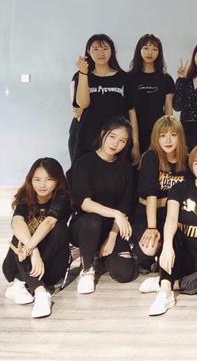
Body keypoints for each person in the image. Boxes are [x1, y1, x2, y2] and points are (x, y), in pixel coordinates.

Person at [138, 143, 197, 316]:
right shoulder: (180, 189)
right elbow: (171, 218)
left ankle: (168, 282)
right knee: (173, 235)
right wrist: (167, 246)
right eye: (196, 163)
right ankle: (165, 293)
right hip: (184, 256)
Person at [69, 117, 138, 294]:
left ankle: (100, 254)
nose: (116, 144)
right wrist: (116, 214)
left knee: (125, 274)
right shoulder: (84, 163)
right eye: (112, 136)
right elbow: (85, 203)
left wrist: (112, 237)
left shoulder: (126, 168)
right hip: (85, 226)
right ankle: (87, 268)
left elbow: (125, 206)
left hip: (112, 227)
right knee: (93, 220)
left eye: (122, 140)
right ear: (103, 134)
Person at [2, 157, 72, 319]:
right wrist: (33, 252)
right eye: (37, 179)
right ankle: (40, 293)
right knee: (19, 235)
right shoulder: (26, 196)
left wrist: (30, 249)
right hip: (17, 265)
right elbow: (16, 222)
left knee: (59, 228)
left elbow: (49, 222)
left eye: (49, 179)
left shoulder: (63, 197)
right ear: (30, 179)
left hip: (50, 268)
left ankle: (19, 284)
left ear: (58, 180)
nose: (42, 184)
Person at [72, 34, 140, 164]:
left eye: (105, 48)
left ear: (112, 51)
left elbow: (132, 112)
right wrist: (83, 73)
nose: (100, 53)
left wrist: (136, 144)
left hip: (118, 141)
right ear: (88, 52)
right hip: (88, 139)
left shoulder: (125, 78)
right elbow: (83, 104)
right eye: (95, 49)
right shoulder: (81, 76)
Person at [133, 115, 189, 272]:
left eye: (173, 135)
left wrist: (165, 202)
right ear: (156, 138)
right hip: (150, 213)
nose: (168, 140)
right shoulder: (151, 157)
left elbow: (189, 195)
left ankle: (162, 253)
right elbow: (150, 196)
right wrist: (151, 227)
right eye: (162, 136)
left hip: (175, 213)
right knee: (149, 249)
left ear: (180, 137)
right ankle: (141, 251)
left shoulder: (187, 160)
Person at [129, 34, 175, 154]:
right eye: (146, 48)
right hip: (134, 132)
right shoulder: (130, 78)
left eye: (154, 49)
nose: (150, 52)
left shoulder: (166, 79)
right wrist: (135, 144)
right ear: (139, 50)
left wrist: (169, 135)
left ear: (159, 53)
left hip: (158, 132)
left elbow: (168, 110)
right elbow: (130, 109)